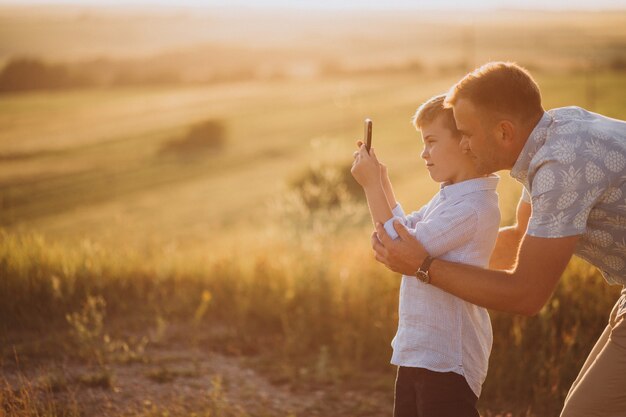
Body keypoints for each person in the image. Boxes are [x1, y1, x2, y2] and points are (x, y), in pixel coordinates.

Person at [371, 62, 626, 417]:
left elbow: (526, 294)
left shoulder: (560, 168)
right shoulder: (551, 138)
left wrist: (424, 265)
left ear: (504, 132)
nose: (464, 144)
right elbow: (520, 239)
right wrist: (444, 250)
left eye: (467, 134)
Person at [350, 94, 501, 417]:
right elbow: (402, 229)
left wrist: (371, 187)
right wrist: (383, 181)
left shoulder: (472, 208)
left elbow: (400, 246)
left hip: (447, 360)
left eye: (431, 141)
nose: (424, 153)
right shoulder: (448, 198)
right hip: (418, 352)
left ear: (464, 142)